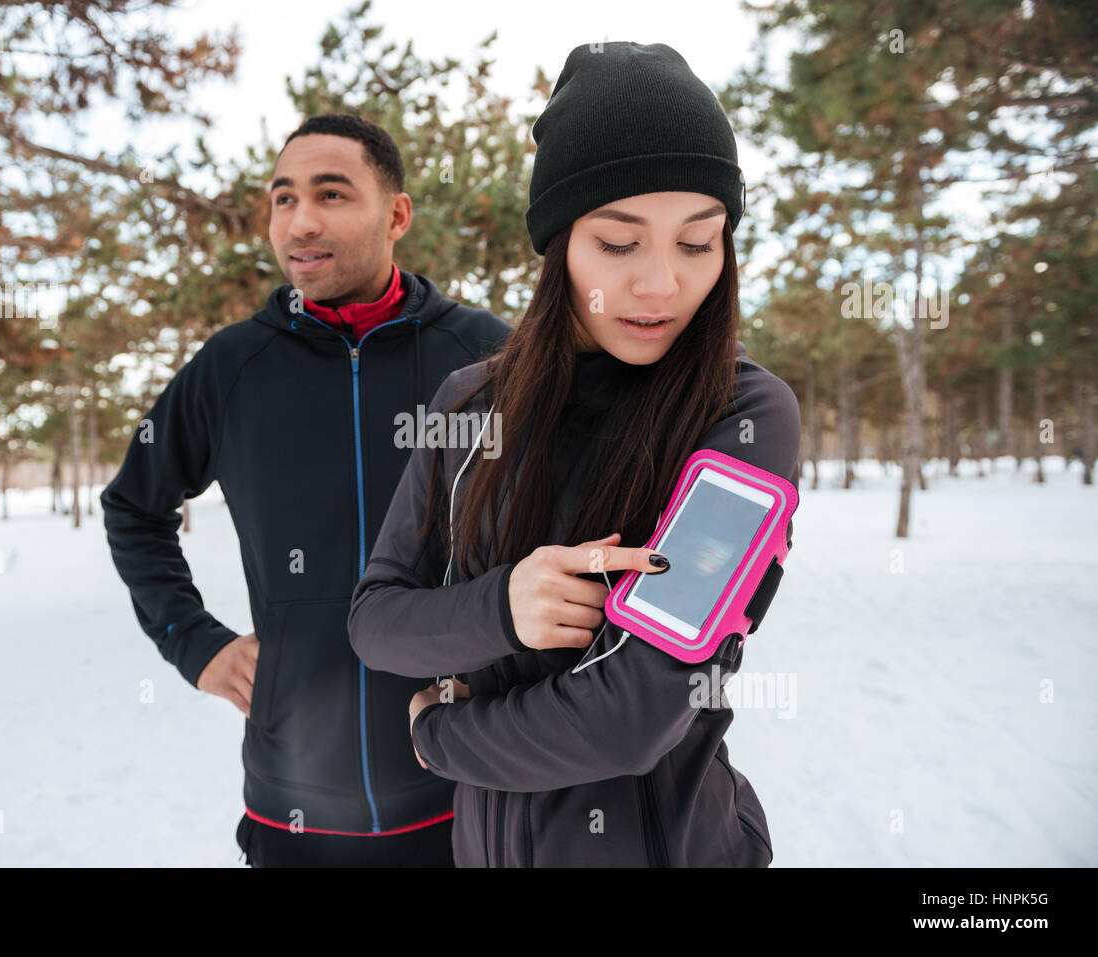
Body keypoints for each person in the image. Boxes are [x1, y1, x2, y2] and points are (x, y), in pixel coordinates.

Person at [348, 42, 801, 866]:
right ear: (559, 247)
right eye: (620, 244)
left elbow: (628, 717)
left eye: (698, 244)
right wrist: (501, 606)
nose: (662, 283)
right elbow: (377, 621)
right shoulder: (468, 405)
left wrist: (438, 735)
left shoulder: (741, 415)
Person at [101, 112, 512, 867]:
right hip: (294, 812)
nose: (301, 222)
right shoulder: (233, 369)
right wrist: (196, 644)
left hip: (465, 800)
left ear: (397, 215)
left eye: (330, 194)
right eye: (282, 198)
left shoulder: (487, 356)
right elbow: (133, 504)